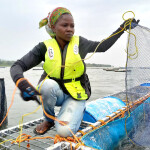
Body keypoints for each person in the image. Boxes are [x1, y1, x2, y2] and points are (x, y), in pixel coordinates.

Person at [10, 7, 139, 137]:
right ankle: (49, 120)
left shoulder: (80, 43)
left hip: (76, 94)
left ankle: (77, 110)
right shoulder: (43, 47)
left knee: (64, 132)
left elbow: (103, 46)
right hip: (56, 93)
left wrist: (122, 28)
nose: (69, 29)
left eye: (72, 26)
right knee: (46, 85)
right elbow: (17, 66)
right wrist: (21, 82)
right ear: (53, 28)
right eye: (65, 25)